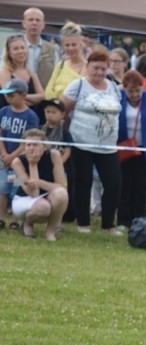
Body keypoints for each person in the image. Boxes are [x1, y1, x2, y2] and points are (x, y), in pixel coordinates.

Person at [61, 46, 121, 234]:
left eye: (103, 68)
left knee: (113, 183)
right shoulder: (78, 85)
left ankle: (108, 224)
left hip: (108, 146)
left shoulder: (113, 86)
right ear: (88, 66)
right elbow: (63, 111)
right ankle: (83, 223)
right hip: (82, 143)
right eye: (96, 67)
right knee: (83, 182)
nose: (100, 72)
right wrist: (73, 131)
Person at [116, 69, 146, 230]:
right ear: (124, 88)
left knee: (141, 185)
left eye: (138, 90)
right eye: (130, 91)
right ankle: (123, 220)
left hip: (145, 148)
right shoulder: (118, 97)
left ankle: (140, 219)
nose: (134, 94)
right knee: (124, 184)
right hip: (124, 147)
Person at [10, 127, 67, 240]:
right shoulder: (17, 162)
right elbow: (33, 193)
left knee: (61, 193)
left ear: (44, 146)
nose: (31, 148)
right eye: (28, 145)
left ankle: (50, 231)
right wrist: (33, 164)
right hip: (24, 198)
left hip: (47, 194)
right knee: (43, 207)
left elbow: (61, 185)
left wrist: (39, 182)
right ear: (24, 147)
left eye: (36, 144)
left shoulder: (54, 155)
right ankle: (27, 223)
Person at [0, 78, 39, 230]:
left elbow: (28, 141)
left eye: (12, 95)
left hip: (21, 160)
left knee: (17, 188)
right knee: (2, 188)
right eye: (6, 95)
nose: (8, 98)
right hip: (3, 159)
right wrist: (5, 154)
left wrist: (13, 156)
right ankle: (1, 218)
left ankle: (15, 220)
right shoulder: (3, 112)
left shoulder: (31, 116)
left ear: (23, 95)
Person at [1, 35, 45, 111]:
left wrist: (23, 96)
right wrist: (33, 100)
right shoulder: (4, 71)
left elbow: (42, 97)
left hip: (31, 114)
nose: (20, 51)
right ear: (9, 53)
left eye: (22, 47)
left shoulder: (30, 72)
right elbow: (10, 99)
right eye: (16, 49)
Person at [44, 22, 87, 101]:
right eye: (67, 45)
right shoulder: (60, 65)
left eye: (74, 44)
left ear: (80, 44)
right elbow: (48, 92)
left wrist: (59, 92)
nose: (70, 48)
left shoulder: (87, 67)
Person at [22, 7, 57, 91]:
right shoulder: (14, 47)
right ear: (23, 24)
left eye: (38, 20)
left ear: (43, 25)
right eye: (30, 20)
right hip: (20, 95)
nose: (34, 23)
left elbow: (57, 75)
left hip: (45, 95)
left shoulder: (52, 49)